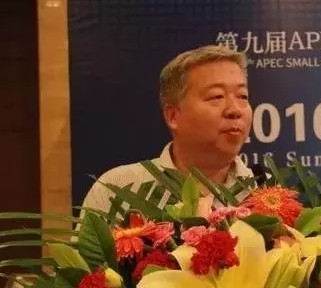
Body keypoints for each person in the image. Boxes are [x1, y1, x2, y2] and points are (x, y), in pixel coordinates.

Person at [80, 44, 255, 214]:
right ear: (173, 116)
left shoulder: (265, 193)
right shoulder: (117, 190)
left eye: (242, 96)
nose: (235, 110)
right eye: (216, 96)